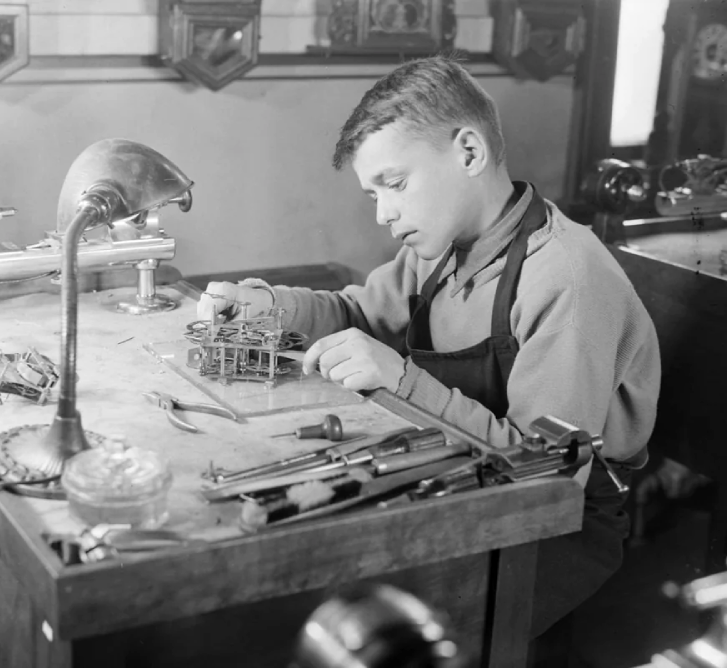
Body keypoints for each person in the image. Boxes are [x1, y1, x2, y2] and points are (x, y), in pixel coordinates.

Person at [197, 55, 661, 641]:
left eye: (394, 185)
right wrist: (267, 305)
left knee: (391, 638)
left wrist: (397, 379)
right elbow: (360, 313)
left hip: (555, 525)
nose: (384, 213)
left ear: (469, 152)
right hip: (463, 479)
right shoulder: (441, 244)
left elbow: (544, 472)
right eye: (373, 193)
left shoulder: (564, 278)